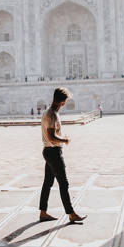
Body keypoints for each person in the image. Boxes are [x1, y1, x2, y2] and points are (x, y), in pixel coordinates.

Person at [39, 87, 85, 223]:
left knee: (47, 182)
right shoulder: (52, 114)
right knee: (63, 184)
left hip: (48, 151)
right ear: (62, 101)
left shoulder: (48, 112)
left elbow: (51, 135)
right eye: (64, 101)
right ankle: (71, 213)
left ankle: (43, 212)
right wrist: (64, 140)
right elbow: (52, 136)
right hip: (53, 152)